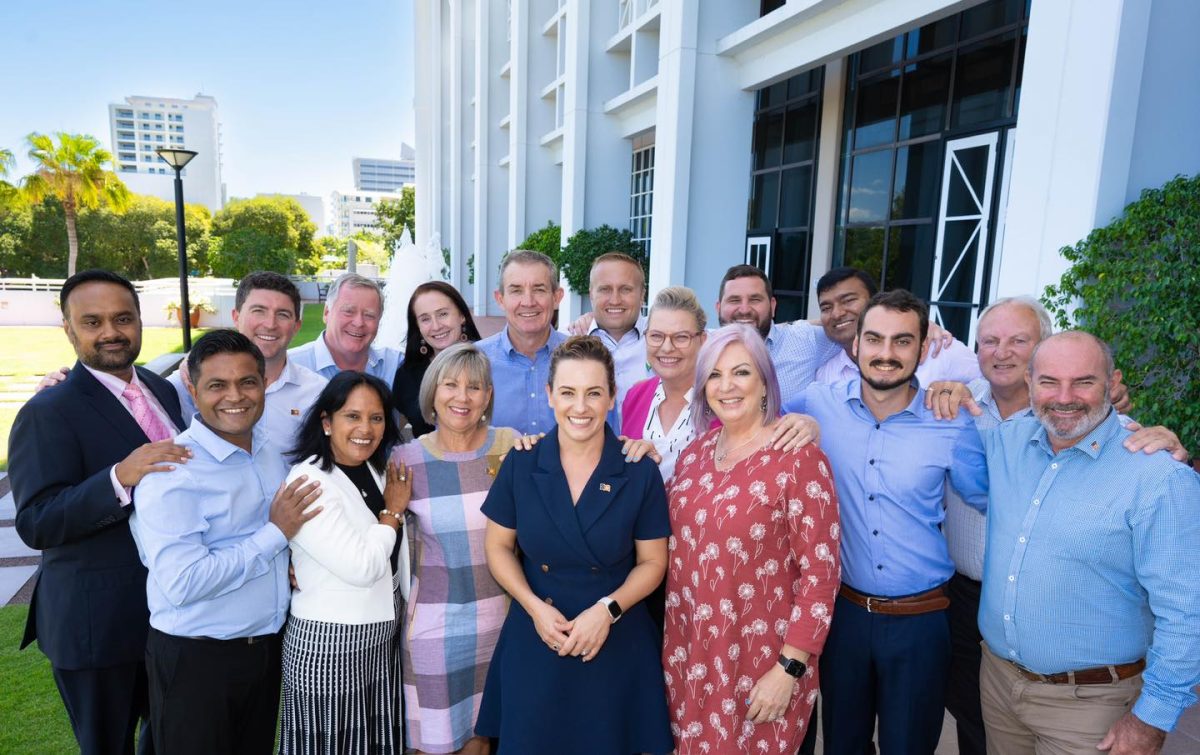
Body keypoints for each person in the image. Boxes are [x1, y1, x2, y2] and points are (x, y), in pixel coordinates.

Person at [926, 297, 1188, 755]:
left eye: (1083, 382)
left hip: (1089, 705)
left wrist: (1153, 718)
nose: (1064, 397)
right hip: (1000, 686)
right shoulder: (1006, 440)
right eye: (1049, 382)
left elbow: (1187, 610)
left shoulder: (1156, 475)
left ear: (1112, 384)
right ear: (1030, 382)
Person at [782, 290, 990, 754]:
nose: (886, 353)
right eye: (874, 339)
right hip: (845, 619)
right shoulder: (816, 405)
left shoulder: (951, 420)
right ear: (854, 345)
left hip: (922, 621)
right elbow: (747, 413)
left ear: (922, 348)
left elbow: (995, 494)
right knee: (842, 744)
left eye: (901, 341)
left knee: (909, 747)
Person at [9, 270, 189, 755]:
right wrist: (118, 478)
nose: (110, 332)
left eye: (122, 318)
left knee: (170, 738)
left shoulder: (160, 388)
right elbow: (37, 521)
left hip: (168, 614)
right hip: (95, 626)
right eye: (92, 321)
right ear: (69, 330)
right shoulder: (49, 411)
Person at [475, 336, 673, 754]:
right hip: (537, 637)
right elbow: (497, 548)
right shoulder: (522, 461)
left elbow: (653, 562)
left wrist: (607, 610)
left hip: (615, 644)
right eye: (567, 392)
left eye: (593, 393)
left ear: (611, 397)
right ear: (549, 395)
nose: (579, 407)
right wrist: (534, 607)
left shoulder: (638, 471)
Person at [130, 329, 322, 754]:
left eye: (247, 382)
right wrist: (275, 535)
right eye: (217, 385)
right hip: (197, 662)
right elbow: (184, 582)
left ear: (264, 385)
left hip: (264, 653)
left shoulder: (270, 452)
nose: (235, 395)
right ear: (193, 391)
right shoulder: (172, 473)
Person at [661, 324, 841, 754]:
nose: (727, 387)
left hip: (763, 664)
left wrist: (789, 668)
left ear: (765, 380)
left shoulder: (800, 459)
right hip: (691, 659)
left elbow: (822, 574)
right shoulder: (695, 454)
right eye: (715, 376)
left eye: (740, 372)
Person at [391, 343, 515, 755]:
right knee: (433, 742)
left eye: (475, 387)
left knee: (480, 740)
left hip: (500, 623)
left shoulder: (511, 447)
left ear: (488, 396)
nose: (462, 397)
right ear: (433, 392)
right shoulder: (405, 459)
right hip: (434, 627)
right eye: (451, 385)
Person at [278, 371, 407, 754]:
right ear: (326, 422)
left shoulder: (374, 468)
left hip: (378, 638)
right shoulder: (309, 482)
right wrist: (393, 514)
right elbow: (363, 566)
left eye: (376, 417)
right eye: (352, 416)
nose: (365, 428)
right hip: (330, 645)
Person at [621, 286, 822, 484]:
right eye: (656, 336)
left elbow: (771, 432)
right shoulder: (636, 396)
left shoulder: (726, 397)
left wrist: (808, 425)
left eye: (681, 337)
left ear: (703, 340)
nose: (666, 347)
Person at [170, 271, 327, 444]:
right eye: (259, 311)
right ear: (236, 318)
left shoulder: (317, 392)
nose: (270, 324)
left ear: (296, 326)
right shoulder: (183, 385)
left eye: (283, 314)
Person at [813, 266, 980, 385]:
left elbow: (990, 385)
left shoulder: (938, 350)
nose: (837, 314)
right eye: (826, 308)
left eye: (848, 300)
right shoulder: (827, 376)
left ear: (875, 301)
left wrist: (953, 393)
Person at [476, 250, 568, 435]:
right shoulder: (475, 361)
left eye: (539, 289)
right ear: (500, 299)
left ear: (557, 297)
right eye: (516, 290)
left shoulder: (583, 358)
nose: (528, 301)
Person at [392, 281, 483, 438]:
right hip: (429, 462)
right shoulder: (408, 374)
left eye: (443, 314)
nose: (436, 326)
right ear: (418, 327)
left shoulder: (488, 363)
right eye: (425, 319)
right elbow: (390, 433)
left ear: (462, 315)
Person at [289, 272, 403, 381]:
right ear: (326, 313)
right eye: (348, 311)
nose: (359, 323)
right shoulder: (288, 366)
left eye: (369, 315)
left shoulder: (396, 366)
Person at [582, 252, 652, 410]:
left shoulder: (665, 338)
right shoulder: (568, 341)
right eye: (605, 289)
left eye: (625, 289)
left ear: (642, 295)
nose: (615, 300)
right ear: (591, 294)